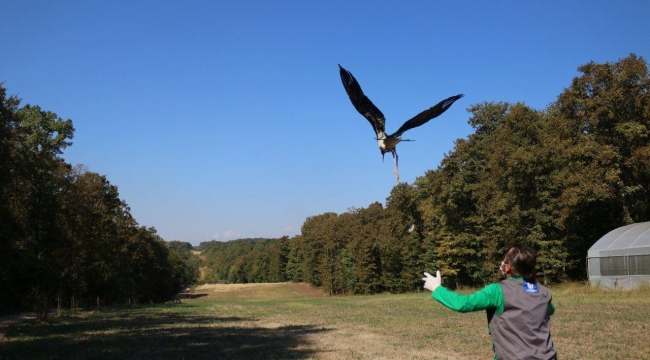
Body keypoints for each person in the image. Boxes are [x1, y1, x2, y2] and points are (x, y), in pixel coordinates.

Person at [422, 244, 557, 360]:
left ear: (508, 268)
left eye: (504, 261)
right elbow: (550, 309)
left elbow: (462, 303)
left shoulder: (497, 291)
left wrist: (436, 288)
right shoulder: (543, 292)